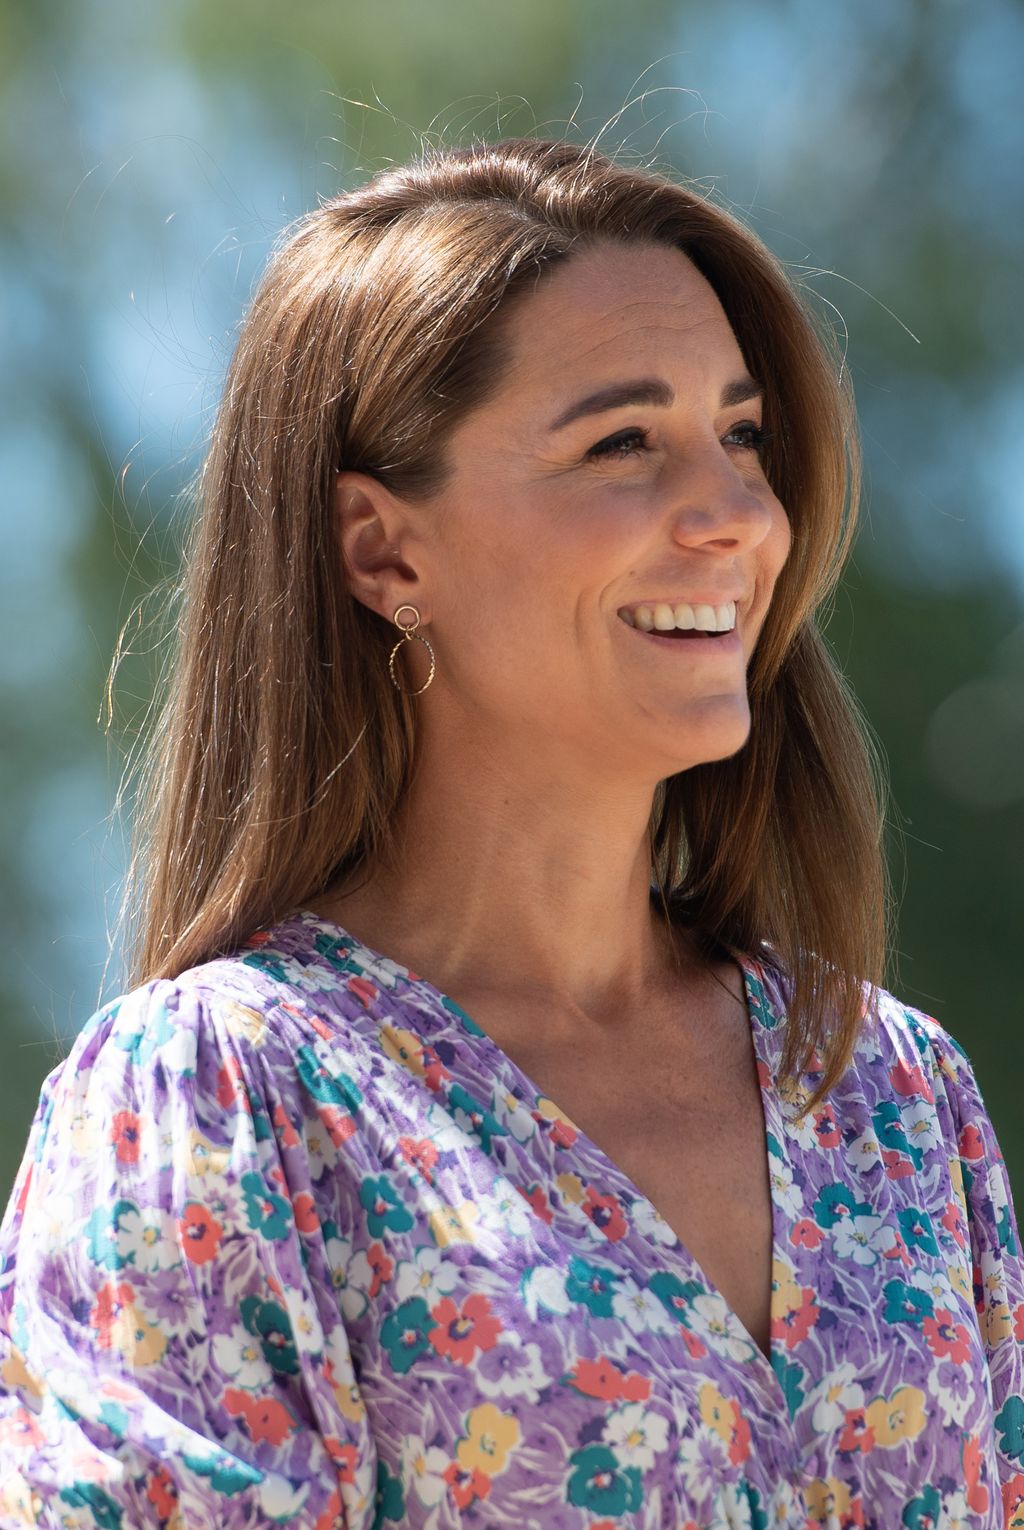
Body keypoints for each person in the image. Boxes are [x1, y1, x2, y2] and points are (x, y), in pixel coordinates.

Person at [0, 135, 1020, 1530]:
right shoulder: (225, 1103)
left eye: (741, 436)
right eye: (622, 444)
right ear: (382, 550)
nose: (739, 517)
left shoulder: (895, 1095)